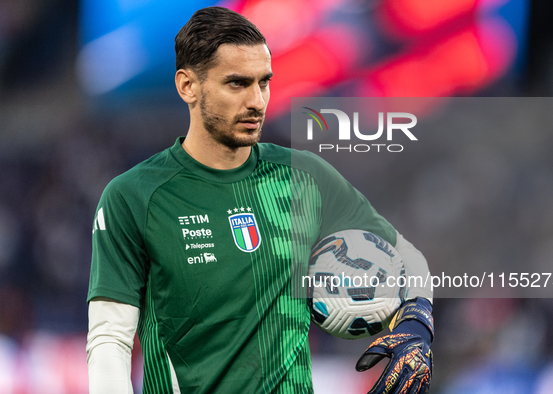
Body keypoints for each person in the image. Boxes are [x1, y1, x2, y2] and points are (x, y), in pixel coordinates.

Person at [86, 6, 433, 394]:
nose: (257, 100)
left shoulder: (304, 177)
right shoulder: (134, 196)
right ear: (188, 86)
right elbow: (109, 341)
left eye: (263, 83)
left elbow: (407, 256)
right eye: (237, 84)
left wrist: (417, 321)